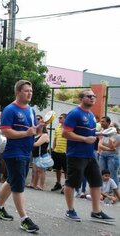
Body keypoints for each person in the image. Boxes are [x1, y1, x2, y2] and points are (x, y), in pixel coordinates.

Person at [0, 80, 40, 233]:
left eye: (31, 91)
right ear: (18, 92)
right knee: (18, 185)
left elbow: (34, 130)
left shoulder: (31, 110)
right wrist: (26, 133)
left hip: (26, 151)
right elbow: (6, 131)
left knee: (12, 180)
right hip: (14, 153)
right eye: (26, 91)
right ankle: (24, 219)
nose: (30, 93)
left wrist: (40, 126)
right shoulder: (10, 110)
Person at [62, 89, 115, 223]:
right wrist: (84, 139)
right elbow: (66, 133)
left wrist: (101, 134)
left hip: (90, 154)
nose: (92, 98)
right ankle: (70, 210)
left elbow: (89, 133)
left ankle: (96, 212)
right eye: (89, 96)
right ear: (81, 99)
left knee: (97, 181)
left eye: (94, 96)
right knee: (72, 183)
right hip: (76, 154)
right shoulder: (75, 113)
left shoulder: (91, 115)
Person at [98, 116, 119, 186]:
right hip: (103, 155)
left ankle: (114, 193)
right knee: (102, 174)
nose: (101, 123)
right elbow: (100, 145)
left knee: (112, 175)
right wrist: (108, 149)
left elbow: (112, 146)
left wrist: (111, 137)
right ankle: (103, 191)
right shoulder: (104, 134)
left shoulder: (118, 136)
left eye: (112, 127)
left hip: (113, 157)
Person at [31, 116, 49, 190]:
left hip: (42, 155)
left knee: (41, 171)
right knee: (35, 171)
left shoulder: (44, 135)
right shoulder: (36, 135)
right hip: (36, 155)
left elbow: (36, 144)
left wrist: (28, 141)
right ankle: (34, 185)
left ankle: (41, 185)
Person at [51, 113, 67, 193]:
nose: (59, 119)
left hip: (65, 152)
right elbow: (55, 140)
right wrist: (53, 150)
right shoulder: (57, 129)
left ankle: (67, 185)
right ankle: (58, 183)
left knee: (66, 170)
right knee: (57, 169)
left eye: (61, 118)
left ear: (65, 119)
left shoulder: (68, 129)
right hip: (56, 151)